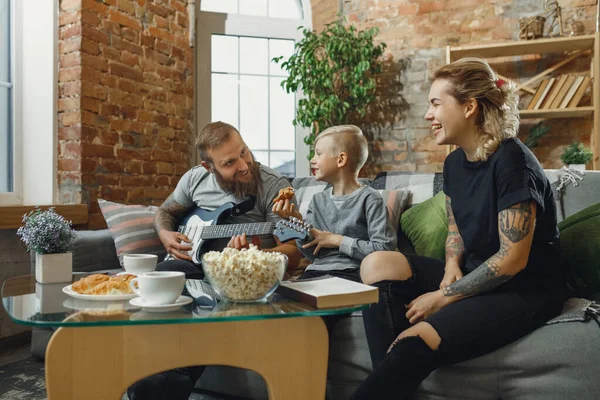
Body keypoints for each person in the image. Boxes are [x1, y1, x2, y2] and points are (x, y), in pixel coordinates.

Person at [351, 58, 566, 399]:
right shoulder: (453, 162)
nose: (427, 115)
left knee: (416, 340)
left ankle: (404, 359)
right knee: (377, 263)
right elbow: (456, 228)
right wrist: (451, 265)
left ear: (469, 107)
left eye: (436, 103)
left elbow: (512, 261)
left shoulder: (513, 161)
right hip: (473, 272)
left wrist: (444, 296)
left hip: (524, 289)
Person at [127, 121, 301, 400]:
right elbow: (165, 212)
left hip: (241, 275)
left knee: (206, 303)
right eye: (230, 162)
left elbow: (293, 252)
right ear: (210, 167)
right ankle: (142, 374)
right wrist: (165, 235)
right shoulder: (195, 178)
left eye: (244, 152)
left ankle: (163, 383)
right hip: (193, 262)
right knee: (155, 281)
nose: (244, 165)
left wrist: (253, 258)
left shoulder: (273, 184)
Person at [273, 124, 397, 284]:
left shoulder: (370, 199)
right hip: (314, 273)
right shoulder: (317, 201)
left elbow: (384, 249)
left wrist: (338, 240)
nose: (312, 160)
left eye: (318, 154)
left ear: (341, 160)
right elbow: (312, 254)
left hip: (352, 274)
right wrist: (298, 225)